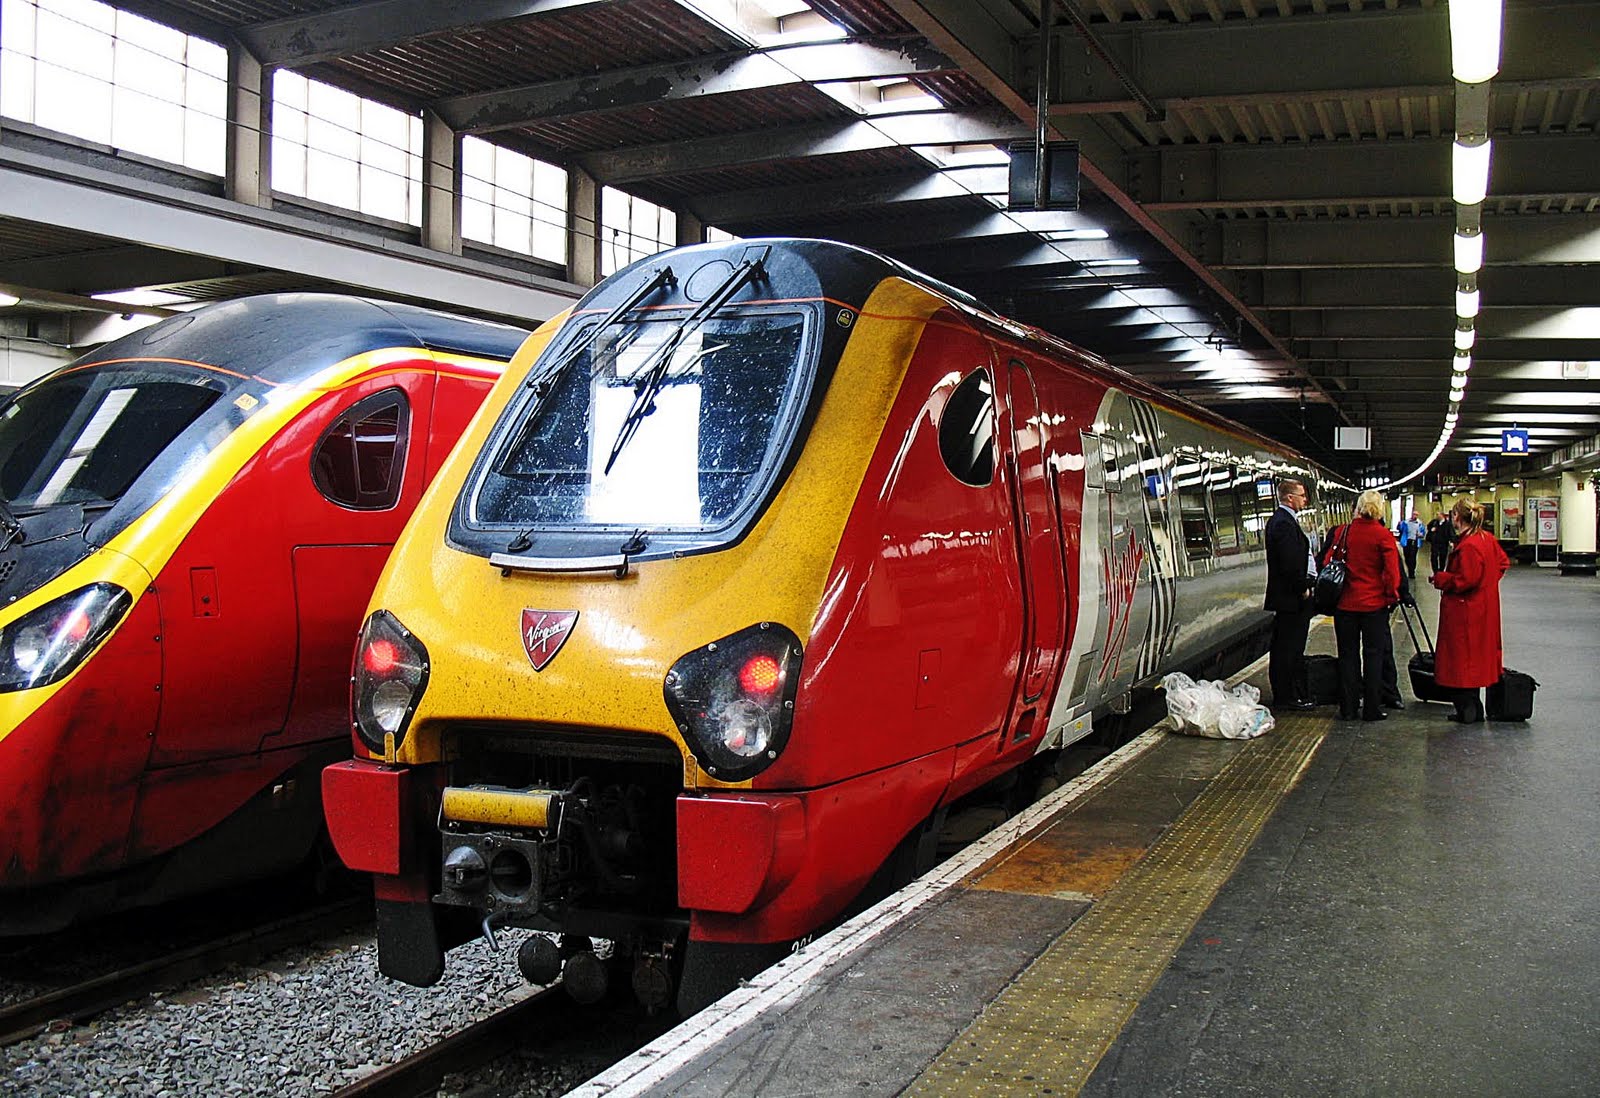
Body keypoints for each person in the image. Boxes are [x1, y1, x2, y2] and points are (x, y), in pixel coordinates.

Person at [1320, 489, 1401, 721]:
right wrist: (1390, 596)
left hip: (1345, 605)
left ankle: (1348, 707)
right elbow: (1392, 573)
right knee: (1374, 656)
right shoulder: (1383, 535)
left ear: (1358, 507)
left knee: (1348, 655)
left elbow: (1328, 562)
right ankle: (1372, 708)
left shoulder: (1342, 532)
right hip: (1374, 606)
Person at [1430, 498, 1511, 723]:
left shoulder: (1469, 546)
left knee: (1461, 659)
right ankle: (1475, 706)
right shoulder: (1487, 539)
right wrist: (1489, 584)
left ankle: (1467, 710)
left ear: (1457, 517)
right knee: (1476, 658)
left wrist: (1441, 579)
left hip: (1464, 611)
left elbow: (1466, 580)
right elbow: (1502, 563)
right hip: (1484, 607)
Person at [1264, 478, 1317, 712]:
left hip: (1288, 598)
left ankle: (1287, 694)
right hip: (1290, 599)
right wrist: (1303, 587)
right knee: (1288, 648)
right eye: (1302, 495)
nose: (1305, 499)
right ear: (1289, 497)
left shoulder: (1283, 521)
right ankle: (1286, 696)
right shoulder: (1283, 524)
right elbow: (1289, 563)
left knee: (1287, 647)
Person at [1396, 512, 1425, 579]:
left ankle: (1412, 572)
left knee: (1413, 557)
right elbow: (1399, 529)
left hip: (1415, 541)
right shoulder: (1406, 522)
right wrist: (1399, 524)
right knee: (1406, 556)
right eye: (1414, 514)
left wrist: (1421, 535)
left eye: (1416, 515)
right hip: (1406, 541)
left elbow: (1423, 532)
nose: (1415, 516)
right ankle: (1409, 568)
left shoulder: (1419, 523)